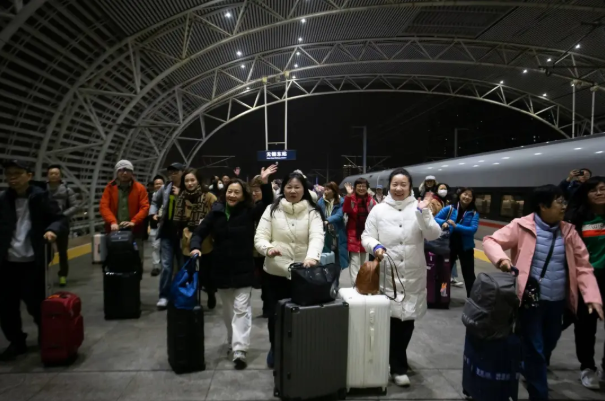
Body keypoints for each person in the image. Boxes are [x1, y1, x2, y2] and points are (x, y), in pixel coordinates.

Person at [483, 184, 604, 401]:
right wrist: (501, 259)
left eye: (564, 201)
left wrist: (592, 297)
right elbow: (491, 240)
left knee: (549, 342)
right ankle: (539, 395)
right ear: (543, 205)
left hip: (557, 302)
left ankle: (527, 366)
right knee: (536, 349)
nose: (564, 206)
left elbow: (583, 267)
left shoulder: (569, 232)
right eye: (559, 201)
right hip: (531, 301)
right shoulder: (521, 226)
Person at [190, 165, 277, 370]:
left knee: (241, 310)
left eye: (237, 192)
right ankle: (232, 340)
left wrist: (265, 183)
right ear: (225, 193)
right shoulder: (216, 212)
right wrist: (195, 246)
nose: (232, 195)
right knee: (228, 311)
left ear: (243, 195)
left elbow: (267, 204)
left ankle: (240, 350)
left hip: (243, 268)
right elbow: (200, 231)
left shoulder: (249, 211)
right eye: (230, 191)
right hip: (221, 268)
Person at [361, 168, 441, 387]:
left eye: (403, 184)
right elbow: (366, 236)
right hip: (387, 273)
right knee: (389, 321)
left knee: (407, 321)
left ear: (410, 186)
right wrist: (375, 246)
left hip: (413, 274)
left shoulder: (419, 208)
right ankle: (396, 365)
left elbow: (433, 234)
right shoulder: (378, 210)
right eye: (395, 184)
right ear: (389, 186)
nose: (398, 188)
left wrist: (424, 214)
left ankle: (396, 363)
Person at [254, 171, 325, 369]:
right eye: (289, 187)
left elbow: (317, 236)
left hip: (303, 273)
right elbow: (260, 236)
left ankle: (300, 348)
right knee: (275, 315)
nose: (293, 191)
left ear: (304, 190)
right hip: (275, 272)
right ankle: (275, 348)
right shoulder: (271, 210)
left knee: (302, 315)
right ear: (283, 189)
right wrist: (268, 249)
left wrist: (312, 257)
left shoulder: (313, 212)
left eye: (297, 187)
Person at [0, 160, 68, 361]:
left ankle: (45, 336)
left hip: (33, 261)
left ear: (29, 175)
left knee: (36, 304)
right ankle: (16, 341)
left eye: (17, 173)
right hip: (7, 261)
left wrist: (52, 230)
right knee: (6, 307)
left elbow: (60, 219)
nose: (12, 177)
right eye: (9, 174)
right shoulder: (3, 199)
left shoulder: (41, 197)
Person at [565, 177, 605, 389]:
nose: (600, 192)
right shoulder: (578, 219)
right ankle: (587, 366)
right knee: (586, 327)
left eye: (603, 189)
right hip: (587, 278)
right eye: (594, 190)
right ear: (586, 195)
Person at [174, 169, 218, 310]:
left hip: (205, 239)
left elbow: (218, 215)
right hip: (187, 238)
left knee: (206, 272)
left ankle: (210, 292)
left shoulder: (209, 196)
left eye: (192, 180)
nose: (190, 183)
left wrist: (206, 223)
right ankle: (192, 297)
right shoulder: (181, 197)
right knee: (190, 271)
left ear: (198, 181)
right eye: (187, 181)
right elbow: (178, 219)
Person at [149, 162, 185, 310]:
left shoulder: (187, 188)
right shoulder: (165, 188)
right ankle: (164, 296)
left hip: (182, 233)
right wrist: (153, 213)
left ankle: (181, 294)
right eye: (170, 172)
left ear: (182, 172)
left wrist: (180, 195)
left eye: (176, 172)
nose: (172, 174)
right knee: (166, 266)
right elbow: (154, 201)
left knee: (183, 267)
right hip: (167, 232)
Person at [99, 159, 149, 264]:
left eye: (127, 170)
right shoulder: (110, 188)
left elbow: (144, 207)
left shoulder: (140, 188)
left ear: (132, 172)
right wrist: (112, 222)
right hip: (114, 231)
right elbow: (104, 206)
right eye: (121, 170)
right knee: (115, 259)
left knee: (136, 259)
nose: (124, 173)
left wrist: (134, 221)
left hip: (135, 231)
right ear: (117, 172)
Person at [434, 187, 479, 298]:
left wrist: (456, 226)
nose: (467, 197)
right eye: (465, 194)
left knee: (469, 274)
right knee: (445, 272)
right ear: (460, 195)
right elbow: (435, 218)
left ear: (472, 199)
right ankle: (442, 295)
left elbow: (472, 230)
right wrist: (444, 222)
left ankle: (472, 298)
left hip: (465, 247)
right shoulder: (450, 208)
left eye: (470, 196)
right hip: (449, 245)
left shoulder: (474, 213)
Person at [46, 164, 80, 287]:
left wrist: (63, 215)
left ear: (60, 175)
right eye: (51, 173)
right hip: (46, 224)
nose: (54, 175)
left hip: (62, 224)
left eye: (56, 173)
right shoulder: (42, 189)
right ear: (47, 175)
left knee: (62, 252)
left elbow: (75, 206)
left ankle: (63, 275)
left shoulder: (67, 190)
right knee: (46, 252)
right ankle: (43, 275)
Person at [343, 178, 377, 284]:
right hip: (353, 232)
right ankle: (355, 284)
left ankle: (362, 283)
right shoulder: (351, 198)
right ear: (355, 187)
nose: (361, 188)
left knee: (363, 260)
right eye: (359, 186)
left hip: (366, 233)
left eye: (363, 186)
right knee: (354, 260)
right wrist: (348, 195)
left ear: (367, 188)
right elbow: (346, 209)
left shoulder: (371, 201)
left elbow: (376, 214)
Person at [250, 175, 271, 318]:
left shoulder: (265, 206)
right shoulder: (251, 205)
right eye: (252, 191)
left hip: (265, 248)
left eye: (257, 191)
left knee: (266, 279)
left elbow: (267, 199)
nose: (254, 194)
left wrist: (265, 183)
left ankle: (268, 307)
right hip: (253, 249)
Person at [317, 181, 348, 270]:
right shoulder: (320, 201)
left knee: (339, 256)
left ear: (334, 191)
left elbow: (339, 215)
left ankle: (338, 273)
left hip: (338, 231)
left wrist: (327, 220)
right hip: (325, 231)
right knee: (326, 256)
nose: (325, 192)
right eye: (325, 189)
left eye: (328, 189)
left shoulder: (341, 201)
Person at [149, 175, 165, 276]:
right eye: (156, 184)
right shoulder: (150, 196)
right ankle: (156, 266)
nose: (158, 185)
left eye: (160, 183)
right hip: (154, 225)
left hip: (165, 225)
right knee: (155, 246)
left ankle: (165, 265)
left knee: (165, 246)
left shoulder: (167, 195)